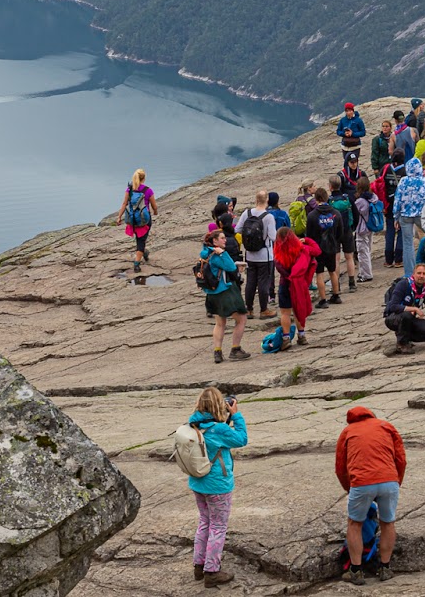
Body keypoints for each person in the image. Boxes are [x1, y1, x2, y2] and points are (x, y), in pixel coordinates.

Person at [185, 387, 248, 588]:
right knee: (218, 526)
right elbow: (241, 439)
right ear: (217, 405)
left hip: (198, 481)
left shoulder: (193, 423)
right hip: (217, 485)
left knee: (204, 522)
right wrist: (236, 416)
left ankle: (199, 565)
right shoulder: (219, 429)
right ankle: (212, 571)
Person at [336, 406, 406, 584]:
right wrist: (396, 481)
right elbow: (401, 458)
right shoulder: (386, 426)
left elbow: (341, 467)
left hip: (362, 483)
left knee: (355, 523)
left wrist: (349, 488)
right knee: (387, 522)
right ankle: (385, 568)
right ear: (371, 415)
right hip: (389, 480)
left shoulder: (348, 431)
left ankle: (356, 571)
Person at [199, 232, 249, 364]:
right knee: (242, 319)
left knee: (220, 323)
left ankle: (217, 352)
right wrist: (222, 253)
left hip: (212, 292)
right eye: (222, 238)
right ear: (215, 241)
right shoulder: (217, 254)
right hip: (225, 291)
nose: (225, 240)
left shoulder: (205, 253)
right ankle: (235, 349)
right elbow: (231, 266)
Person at [274, 227, 321, 348]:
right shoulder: (301, 249)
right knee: (298, 310)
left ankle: (286, 338)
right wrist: (306, 240)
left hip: (285, 283)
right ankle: (301, 336)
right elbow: (317, 250)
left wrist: (288, 277)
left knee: (285, 312)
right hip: (299, 284)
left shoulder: (278, 251)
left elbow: (279, 267)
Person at [383, 263, 425, 353]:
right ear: (413, 274)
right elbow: (393, 306)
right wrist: (414, 309)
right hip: (394, 318)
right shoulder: (403, 284)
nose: (421, 276)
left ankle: (404, 335)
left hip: (410, 319)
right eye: (419, 273)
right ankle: (402, 344)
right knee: (407, 315)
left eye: (424, 274)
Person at [236, 193, 278, 318]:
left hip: (249, 255)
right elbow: (273, 237)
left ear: (256, 200)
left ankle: (249, 309)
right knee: (263, 282)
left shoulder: (247, 213)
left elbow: (237, 229)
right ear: (267, 200)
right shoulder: (268, 217)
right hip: (265, 255)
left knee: (251, 282)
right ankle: (263, 310)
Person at [307, 186, 346, 306]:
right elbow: (341, 231)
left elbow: (309, 235)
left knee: (319, 273)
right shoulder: (335, 213)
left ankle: (323, 299)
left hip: (318, 248)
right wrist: (336, 241)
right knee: (332, 271)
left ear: (316, 199)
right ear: (326, 197)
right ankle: (336, 295)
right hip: (332, 246)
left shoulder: (312, 215)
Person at [118, 169, 158, 273]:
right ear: (144, 178)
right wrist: (155, 212)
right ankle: (136, 264)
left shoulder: (129, 190)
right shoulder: (148, 190)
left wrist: (119, 217)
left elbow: (124, 204)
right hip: (144, 220)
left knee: (139, 239)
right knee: (141, 241)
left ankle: (144, 252)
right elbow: (154, 206)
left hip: (132, 219)